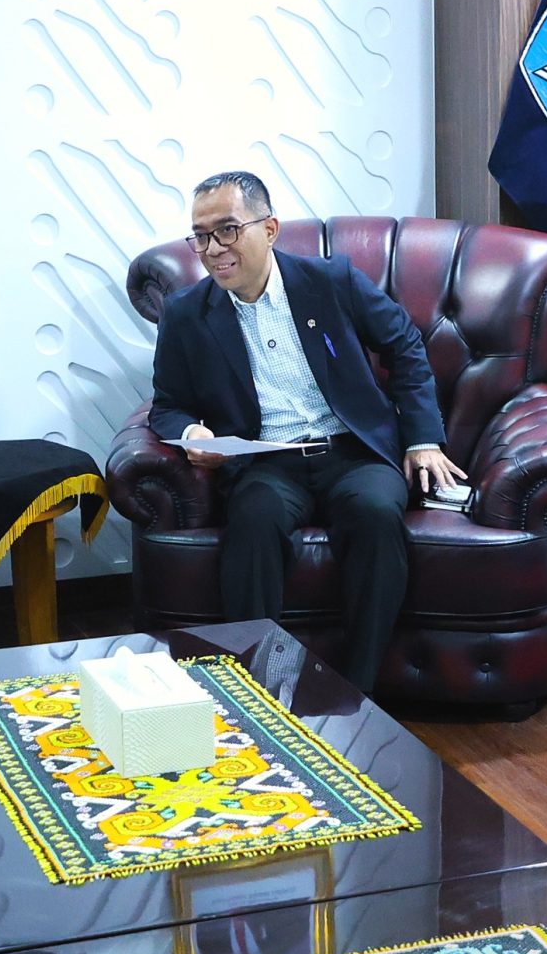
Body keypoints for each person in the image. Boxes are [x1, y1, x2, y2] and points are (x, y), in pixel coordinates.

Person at [149, 170, 457, 692]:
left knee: (376, 513)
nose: (213, 249)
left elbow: (404, 343)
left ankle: (356, 690)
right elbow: (167, 406)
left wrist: (422, 438)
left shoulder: (330, 282)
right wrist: (193, 433)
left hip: (353, 452)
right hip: (266, 461)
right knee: (253, 520)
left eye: (227, 230)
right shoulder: (185, 314)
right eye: (200, 236)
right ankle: (260, 691)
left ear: (269, 229)